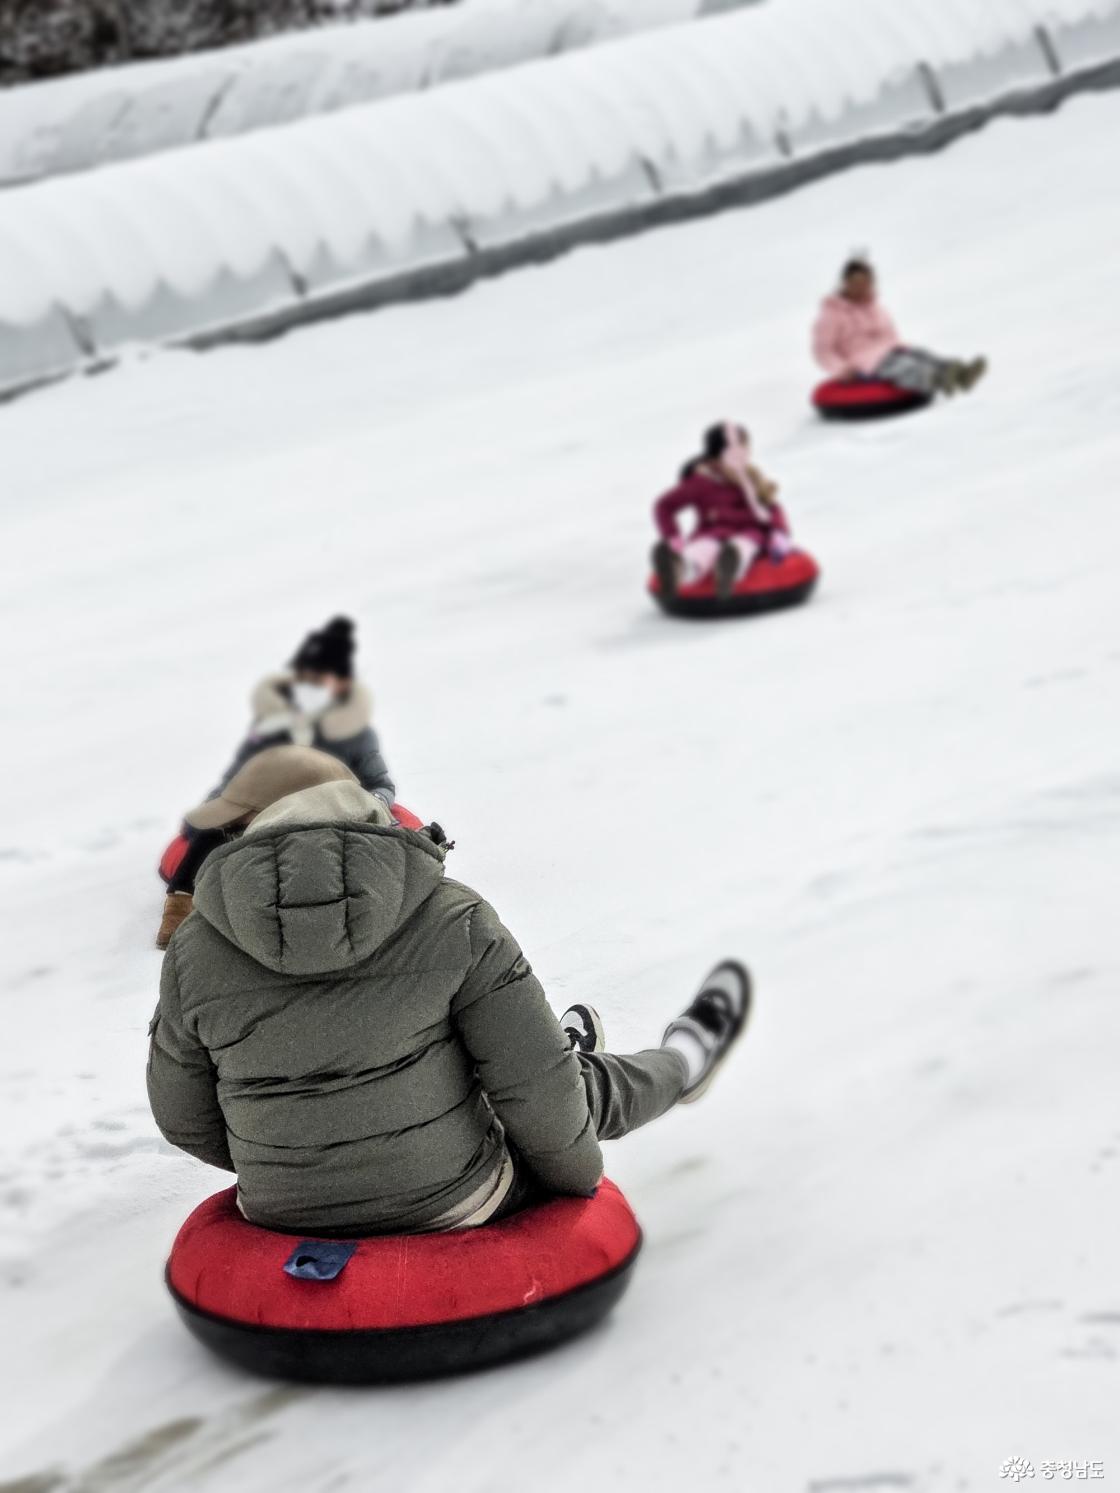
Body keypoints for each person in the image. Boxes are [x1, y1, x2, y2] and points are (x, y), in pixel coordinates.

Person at [147, 746, 750, 1235]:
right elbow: (542, 1097)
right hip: (455, 1202)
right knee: (567, 1083)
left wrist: (301, 1160)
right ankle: (684, 1062)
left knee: (503, 1077)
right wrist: (572, 1190)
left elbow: (183, 1119)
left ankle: (556, 1054)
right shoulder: (451, 914)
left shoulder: (194, 949)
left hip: (282, 1214)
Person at [156, 616, 394, 949]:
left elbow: (380, 784)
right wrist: (216, 806)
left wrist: (373, 803)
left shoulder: (355, 733)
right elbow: (235, 779)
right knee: (214, 830)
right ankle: (179, 908)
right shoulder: (272, 728)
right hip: (269, 807)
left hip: (330, 808)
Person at [652, 422, 792, 601]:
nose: (739, 463)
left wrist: (779, 533)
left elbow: (772, 507)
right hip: (711, 533)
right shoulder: (701, 482)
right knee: (703, 548)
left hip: (750, 532)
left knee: (743, 545)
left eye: (744, 454)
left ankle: (728, 568)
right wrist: (673, 539)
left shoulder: (752, 478)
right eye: (733, 457)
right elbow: (664, 505)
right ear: (714, 460)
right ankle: (678, 569)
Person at [812, 256, 987, 398]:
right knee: (904, 367)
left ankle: (962, 373)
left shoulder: (875, 308)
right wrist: (842, 370)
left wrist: (898, 346)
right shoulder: (832, 314)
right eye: (855, 284)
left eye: (865, 284)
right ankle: (938, 380)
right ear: (845, 283)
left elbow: (890, 333)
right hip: (865, 362)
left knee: (922, 354)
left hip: (889, 350)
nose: (861, 289)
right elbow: (823, 351)